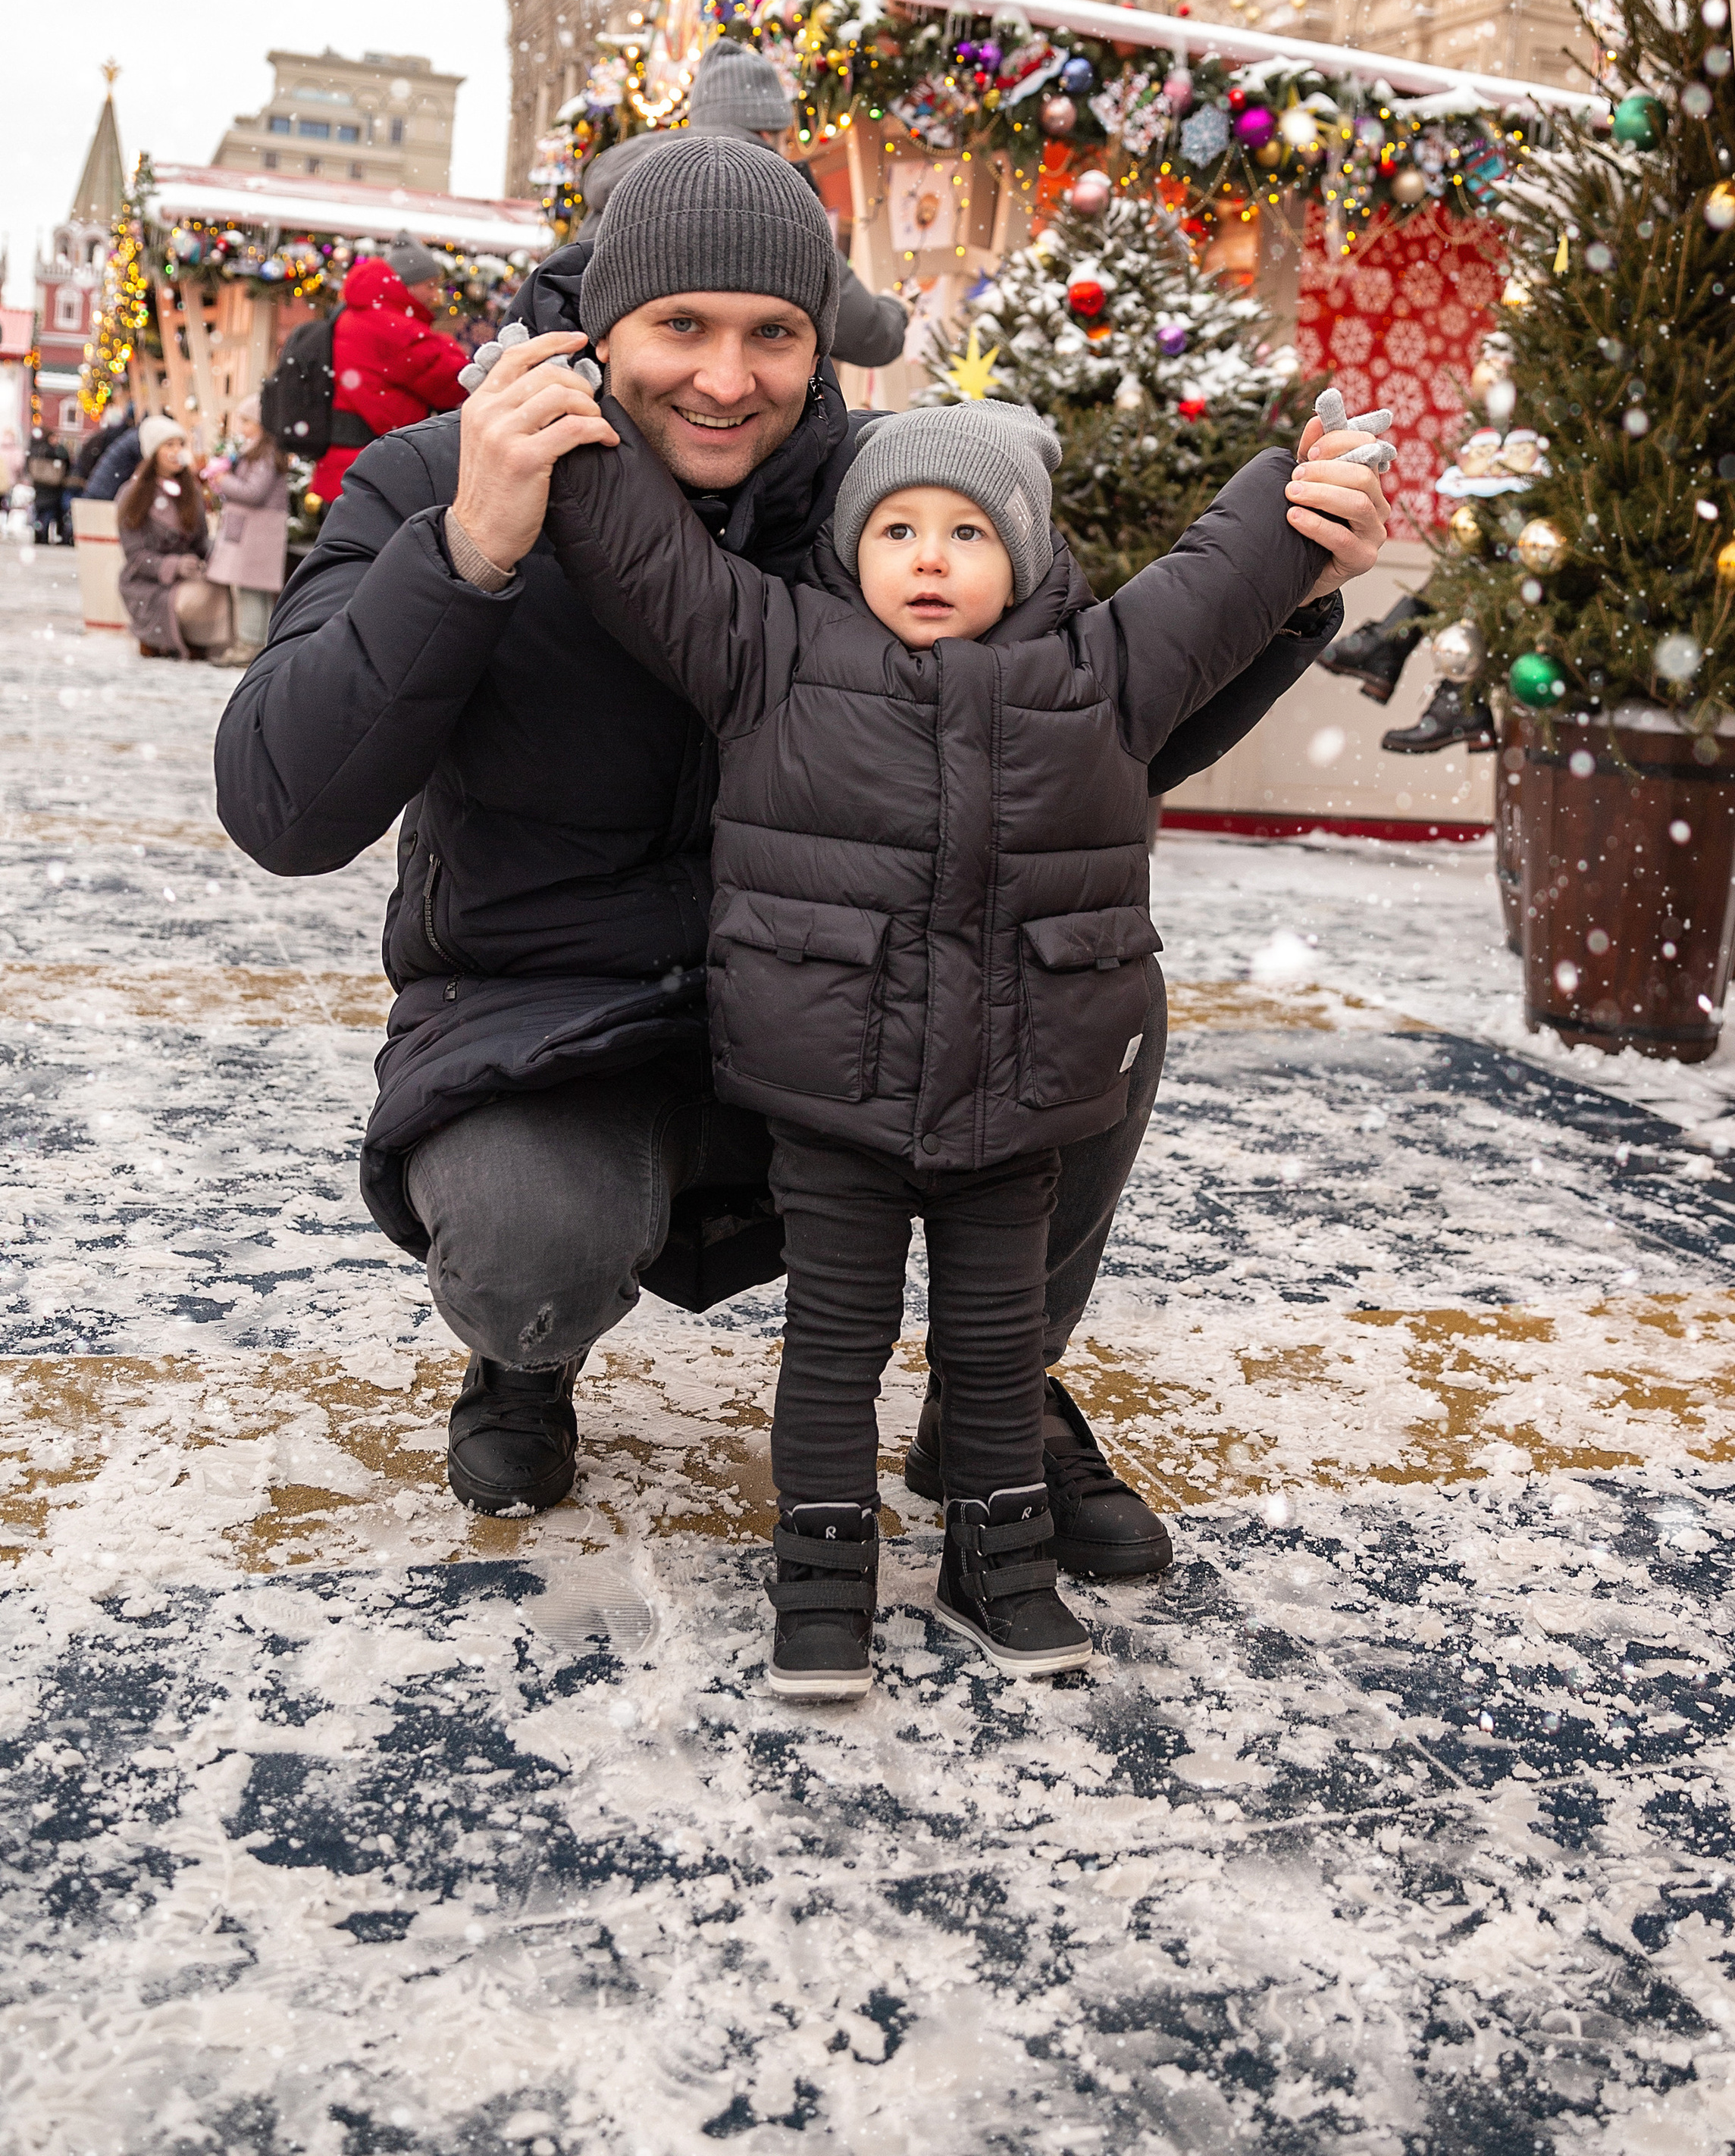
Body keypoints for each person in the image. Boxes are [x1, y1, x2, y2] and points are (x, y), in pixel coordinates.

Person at [214, 138, 1391, 1556]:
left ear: (821, 341)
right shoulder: (439, 474)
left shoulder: (891, 497)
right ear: (602, 326)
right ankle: (527, 1351)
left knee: (1083, 983)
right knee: (532, 1249)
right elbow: (282, 807)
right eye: (681, 329)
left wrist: (1293, 592)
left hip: (847, 1002)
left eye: (773, 333)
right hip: (553, 1014)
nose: (727, 377)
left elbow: (1065, 743)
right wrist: (468, 552)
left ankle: (997, 1391)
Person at [544, 357, 1356, 1697]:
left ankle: (999, 1556)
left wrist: (1297, 484)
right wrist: (561, 429)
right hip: (835, 1105)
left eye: (969, 532)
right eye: (898, 529)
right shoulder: (774, 652)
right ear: (850, 548)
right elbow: (647, 560)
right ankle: (823, 1566)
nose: (931, 559)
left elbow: (1217, 577)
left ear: (1025, 553)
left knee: (994, 1351)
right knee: (834, 1347)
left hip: (1020, 1103)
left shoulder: (1102, 670)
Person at [686, 36, 912, 367]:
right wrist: (895, 309)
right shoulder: (770, 201)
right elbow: (868, 335)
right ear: (767, 133)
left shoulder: (628, 184)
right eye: (784, 138)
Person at [305, 240, 471, 511]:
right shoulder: (392, 325)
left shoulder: (357, 314)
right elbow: (455, 380)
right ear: (403, 284)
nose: (435, 295)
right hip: (372, 477)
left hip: (343, 471)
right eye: (429, 285)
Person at [117, 416, 249, 662]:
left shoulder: (192, 492)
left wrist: (215, 555)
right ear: (154, 451)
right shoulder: (132, 494)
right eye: (169, 445)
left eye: (181, 444)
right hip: (148, 584)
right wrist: (174, 566)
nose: (177, 452)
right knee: (199, 596)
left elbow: (200, 542)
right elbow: (135, 556)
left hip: (188, 577)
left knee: (217, 587)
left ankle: (204, 642)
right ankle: (163, 638)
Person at [205, 396, 289, 653]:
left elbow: (254, 492)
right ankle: (259, 644)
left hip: (257, 534)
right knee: (255, 589)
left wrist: (224, 480)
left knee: (252, 589)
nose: (241, 427)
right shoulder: (260, 451)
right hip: (254, 532)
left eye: (246, 421)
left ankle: (250, 644)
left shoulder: (266, 453)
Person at [27, 430, 74, 546]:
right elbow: (67, 464)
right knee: (48, 514)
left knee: (41, 514)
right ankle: (42, 535)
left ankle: (39, 534)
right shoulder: (57, 452)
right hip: (51, 489)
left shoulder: (38, 450)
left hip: (42, 489)